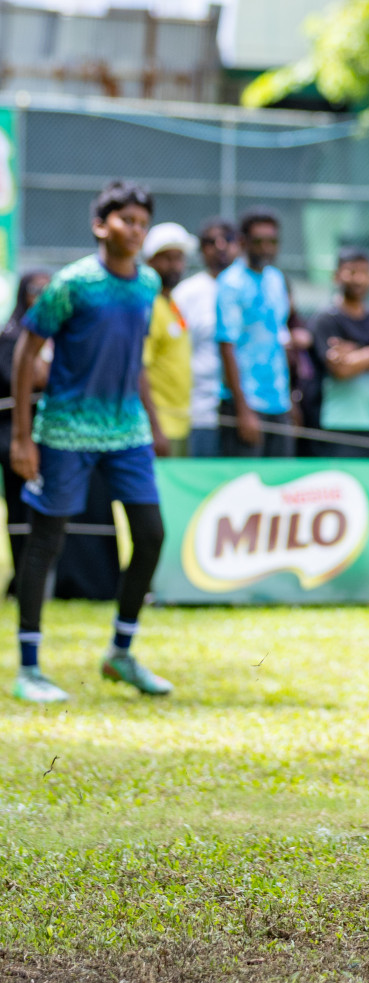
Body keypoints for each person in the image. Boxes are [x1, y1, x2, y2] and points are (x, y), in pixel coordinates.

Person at [8, 180, 172, 703]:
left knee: (150, 534)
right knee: (45, 544)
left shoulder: (147, 283)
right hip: (65, 430)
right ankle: (29, 668)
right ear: (101, 225)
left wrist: (155, 421)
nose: (136, 231)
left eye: (143, 223)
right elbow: (25, 353)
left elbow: (134, 358)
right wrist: (22, 437)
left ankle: (121, 653)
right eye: (126, 220)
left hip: (127, 432)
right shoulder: (71, 284)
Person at [217, 208, 293, 457]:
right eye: (259, 241)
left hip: (278, 402)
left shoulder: (276, 279)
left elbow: (278, 339)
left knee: (281, 487)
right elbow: (227, 347)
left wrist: (289, 399)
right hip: (246, 404)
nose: (266, 248)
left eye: (272, 241)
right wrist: (243, 409)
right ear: (242, 242)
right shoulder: (231, 283)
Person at [309, 247, 369, 458]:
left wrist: (355, 354)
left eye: (364, 272)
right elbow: (341, 370)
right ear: (336, 275)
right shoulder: (325, 319)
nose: (358, 279)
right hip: (336, 425)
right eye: (351, 272)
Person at [172, 218, 239, 457]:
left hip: (248, 412)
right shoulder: (186, 294)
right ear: (201, 250)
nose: (220, 246)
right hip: (202, 412)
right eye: (211, 242)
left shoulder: (250, 287)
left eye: (228, 240)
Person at [0, 270, 50, 594]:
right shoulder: (9, 336)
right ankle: (23, 579)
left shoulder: (60, 333)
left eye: (50, 290)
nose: (42, 296)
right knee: (19, 508)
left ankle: (46, 579)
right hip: (14, 434)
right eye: (35, 290)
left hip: (52, 434)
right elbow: (19, 380)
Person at [140, 223, 197, 458]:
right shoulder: (149, 306)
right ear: (150, 261)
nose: (175, 266)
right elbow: (139, 368)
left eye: (179, 258)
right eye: (167, 259)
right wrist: (154, 426)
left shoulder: (171, 304)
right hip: (158, 424)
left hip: (180, 422)